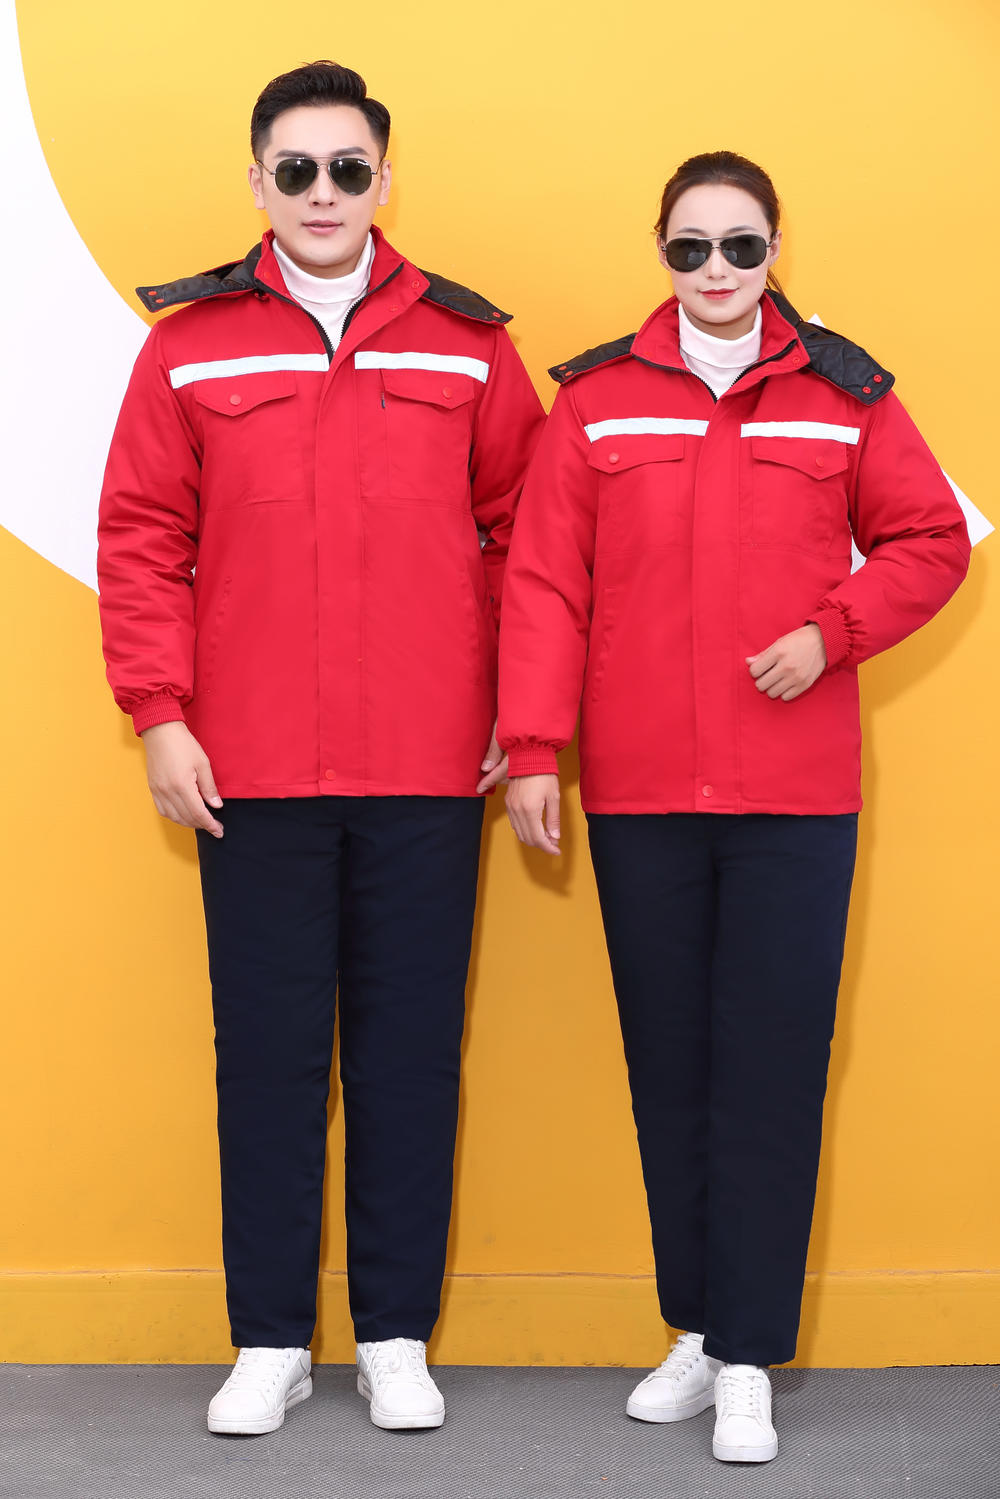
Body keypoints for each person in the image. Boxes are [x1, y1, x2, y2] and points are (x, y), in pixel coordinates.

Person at [497, 150, 969, 1465]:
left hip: (793, 798)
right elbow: (544, 581)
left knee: (771, 1070)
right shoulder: (597, 403)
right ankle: (699, 1331)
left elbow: (932, 539)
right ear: (663, 253)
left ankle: (752, 1356)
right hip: (643, 792)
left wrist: (834, 633)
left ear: (774, 253)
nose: (716, 269)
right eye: (691, 247)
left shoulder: (845, 396)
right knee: (670, 1069)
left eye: (741, 246)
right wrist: (532, 745)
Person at [97, 60, 543, 1437]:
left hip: (426, 766)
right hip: (252, 771)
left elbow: (530, 539)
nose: (324, 193)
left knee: (410, 1058)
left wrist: (516, 710)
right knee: (270, 1060)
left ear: (385, 180)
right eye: (296, 169)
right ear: (257, 183)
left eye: (349, 168)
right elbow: (141, 539)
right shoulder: (189, 347)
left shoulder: (468, 344)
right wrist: (160, 715)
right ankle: (272, 1339)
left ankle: (396, 1337)